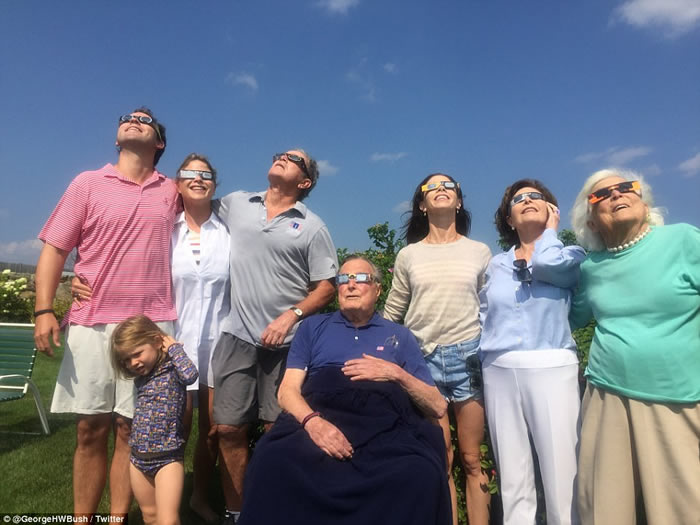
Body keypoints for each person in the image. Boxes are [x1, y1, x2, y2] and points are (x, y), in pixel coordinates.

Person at [34, 108, 177, 517]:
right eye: (127, 117)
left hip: (151, 325)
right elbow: (56, 249)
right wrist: (44, 308)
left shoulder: (173, 191)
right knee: (89, 429)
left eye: (145, 119)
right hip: (93, 321)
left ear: (159, 142)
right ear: (117, 139)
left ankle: (117, 518)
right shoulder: (87, 183)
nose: (134, 120)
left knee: (131, 430)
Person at [237, 255, 450, 525]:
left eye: (360, 278)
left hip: (384, 424)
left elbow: (437, 406)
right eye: (343, 279)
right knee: (272, 459)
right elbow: (287, 391)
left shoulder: (400, 335)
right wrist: (314, 423)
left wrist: (394, 373)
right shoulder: (312, 327)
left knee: (418, 472)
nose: (350, 285)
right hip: (321, 413)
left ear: (378, 289)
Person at [212, 149, 338, 523]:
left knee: (277, 430)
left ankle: (277, 509)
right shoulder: (237, 203)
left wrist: (291, 316)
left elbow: (326, 286)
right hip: (237, 335)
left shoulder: (312, 226)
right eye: (280, 154)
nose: (282, 158)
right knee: (228, 429)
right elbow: (190, 202)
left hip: (287, 344)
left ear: (305, 182)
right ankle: (237, 513)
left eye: (293, 160)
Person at [570, 169, 700, 525]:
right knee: (604, 509)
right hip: (606, 394)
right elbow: (566, 319)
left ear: (644, 202)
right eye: (602, 194)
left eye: (626, 187)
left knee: (684, 508)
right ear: (591, 221)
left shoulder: (683, 240)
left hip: (678, 396)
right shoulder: (591, 268)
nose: (616, 194)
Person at [383, 173, 492, 525]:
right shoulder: (408, 255)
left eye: (449, 186)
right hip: (422, 360)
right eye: (432, 187)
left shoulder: (480, 251)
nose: (441, 189)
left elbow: (491, 308)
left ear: (458, 202)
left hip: (469, 358)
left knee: (473, 459)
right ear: (421, 204)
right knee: (440, 458)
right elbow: (394, 310)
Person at [479, 179, 585, 525]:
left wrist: (551, 231)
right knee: (512, 474)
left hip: (552, 364)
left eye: (535, 197)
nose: (526, 200)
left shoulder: (569, 255)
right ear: (509, 220)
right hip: (499, 368)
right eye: (518, 199)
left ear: (552, 209)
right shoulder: (496, 264)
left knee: (562, 471)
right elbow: (485, 311)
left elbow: (547, 266)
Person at [111, 315, 198, 525]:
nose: (133, 363)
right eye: (126, 360)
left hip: (167, 459)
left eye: (137, 354)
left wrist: (175, 349)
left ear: (158, 341)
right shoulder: (142, 378)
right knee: (150, 516)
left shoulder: (173, 370)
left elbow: (191, 375)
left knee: (168, 520)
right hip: (138, 458)